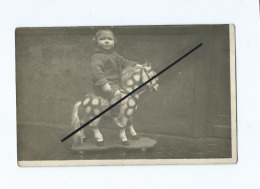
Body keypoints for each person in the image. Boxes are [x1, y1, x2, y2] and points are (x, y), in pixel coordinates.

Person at [90, 29, 139, 124]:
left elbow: (125, 62)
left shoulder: (114, 55)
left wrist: (136, 65)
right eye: (102, 39)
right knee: (118, 94)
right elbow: (96, 70)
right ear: (96, 41)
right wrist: (104, 83)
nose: (107, 41)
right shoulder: (97, 56)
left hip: (114, 84)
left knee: (126, 93)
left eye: (110, 39)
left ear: (114, 41)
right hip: (103, 85)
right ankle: (114, 115)